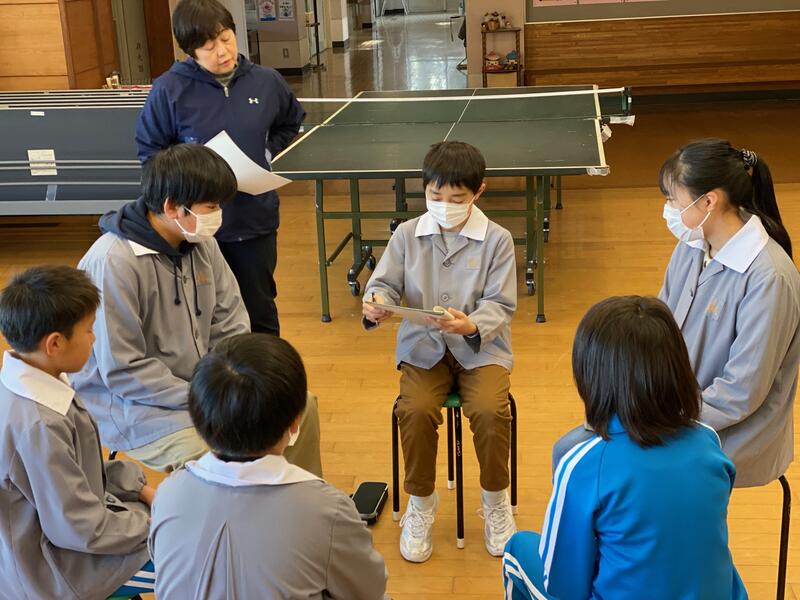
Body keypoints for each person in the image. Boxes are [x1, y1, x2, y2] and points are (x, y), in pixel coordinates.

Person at [553, 139, 800, 488]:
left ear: (709, 201)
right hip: (672, 409)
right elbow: (659, 327)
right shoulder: (692, 246)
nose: (668, 209)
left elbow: (742, 392)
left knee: (608, 470)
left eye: (673, 200)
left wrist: (659, 417)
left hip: (728, 431)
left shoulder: (770, 278)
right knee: (569, 450)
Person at [72, 144, 322, 475]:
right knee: (213, 456)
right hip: (136, 407)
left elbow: (231, 323)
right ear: (172, 207)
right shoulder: (113, 263)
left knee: (301, 407)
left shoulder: (202, 243)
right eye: (211, 206)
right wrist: (207, 395)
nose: (219, 215)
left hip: (208, 391)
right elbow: (122, 370)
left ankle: (297, 499)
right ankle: (243, 505)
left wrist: (234, 383)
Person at [503, 296, 747, 600]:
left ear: (591, 375)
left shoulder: (581, 464)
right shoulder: (709, 442)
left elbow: (563, 587)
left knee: (517, 549)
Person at [362, 141, 517, 562]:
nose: (444, 205)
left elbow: (501, 304)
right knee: (413, 410)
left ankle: (495, 501)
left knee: (490, 410)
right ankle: (421, 502)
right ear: (424, 189)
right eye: (435, 196)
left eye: (457, 198)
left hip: (480, 350)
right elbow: (383, 285)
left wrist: (471, 324)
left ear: (478, 192)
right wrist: (376, 303)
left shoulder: (498, 240)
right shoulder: (406, 234)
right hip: (422, 349)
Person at [149, 333, 387, 599]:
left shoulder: (169, 492)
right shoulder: (328, 510)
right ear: (296, 420)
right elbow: (370, 590)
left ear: (197, 418)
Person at [136, 0, 305, 336]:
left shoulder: (267, 81)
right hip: (195, 225)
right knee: (200, 313)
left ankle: (263, 370)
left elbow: (291, 122)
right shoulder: (169, 89)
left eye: (226, 39)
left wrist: (267, 152)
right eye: (209, 47)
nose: (222, 52)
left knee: (258, 310)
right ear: (191, 51)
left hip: (253, 218)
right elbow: (151, 154)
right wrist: (190, 180)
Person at [0, 266, 156, 600]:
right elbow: (79, 528)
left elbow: (82, 473)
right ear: (55, 343)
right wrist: (160, 523)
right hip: (54, 571)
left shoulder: (33, 382)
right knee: (197, 557)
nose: (94, 338)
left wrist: (140, 489)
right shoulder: (40, 425)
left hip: (71, 537)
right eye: (88, 330)